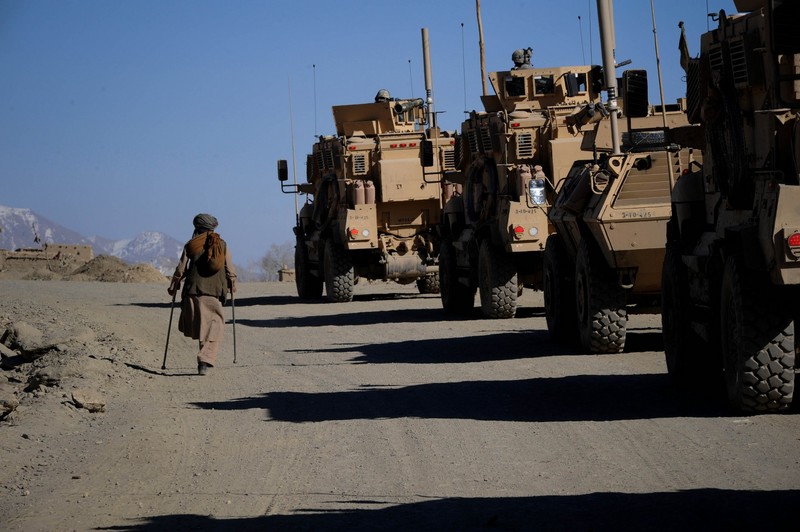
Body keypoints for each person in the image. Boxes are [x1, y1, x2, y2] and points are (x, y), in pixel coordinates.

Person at [168, 213, 236, 375]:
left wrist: (174, 285)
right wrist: (232, 285)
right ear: (213, 227)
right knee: (215, 326)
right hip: (214, 292)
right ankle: (205, 359)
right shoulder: (223, 244)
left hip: (193, 291)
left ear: (197, 228)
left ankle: (204, 361)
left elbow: (181, 268)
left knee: (202, 325)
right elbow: (230, 269)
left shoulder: (190, 245)